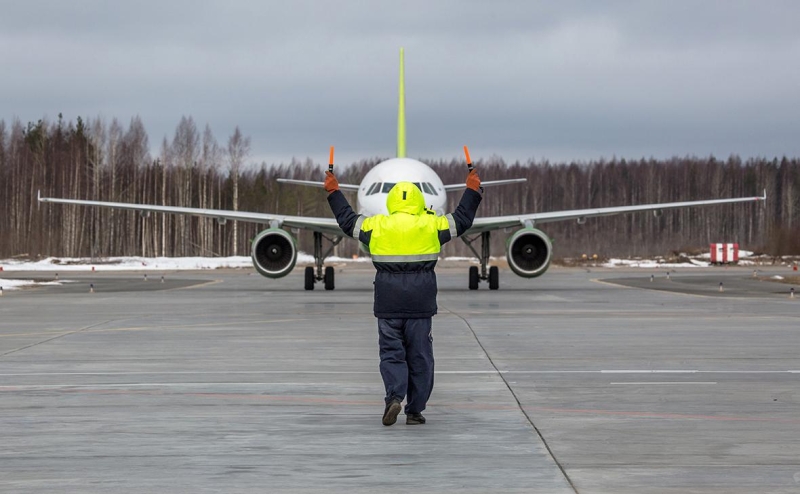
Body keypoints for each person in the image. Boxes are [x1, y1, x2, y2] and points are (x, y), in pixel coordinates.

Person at [325, 169, 482, 426]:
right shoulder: (431, 224)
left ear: (392, 202)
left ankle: (394, 396)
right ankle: (415, 410)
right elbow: (462, 220)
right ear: (419, 201)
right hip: (420, 304)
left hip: (388, 304)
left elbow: (347, 221)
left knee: (391, 354)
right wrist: (473, 191)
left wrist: (333, 192)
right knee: (420, 356)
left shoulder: (376, 226)